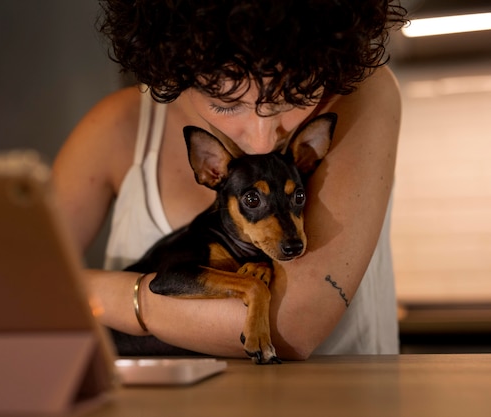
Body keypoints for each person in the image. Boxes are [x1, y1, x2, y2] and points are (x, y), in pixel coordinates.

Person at [52, 0, 408, 360]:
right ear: (175, 68)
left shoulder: (361, 94)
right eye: (226, 104)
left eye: (297, 93)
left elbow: (292, 327)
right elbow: (17, 282)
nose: (262, 140)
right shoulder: (117, 125)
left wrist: (85, 292)